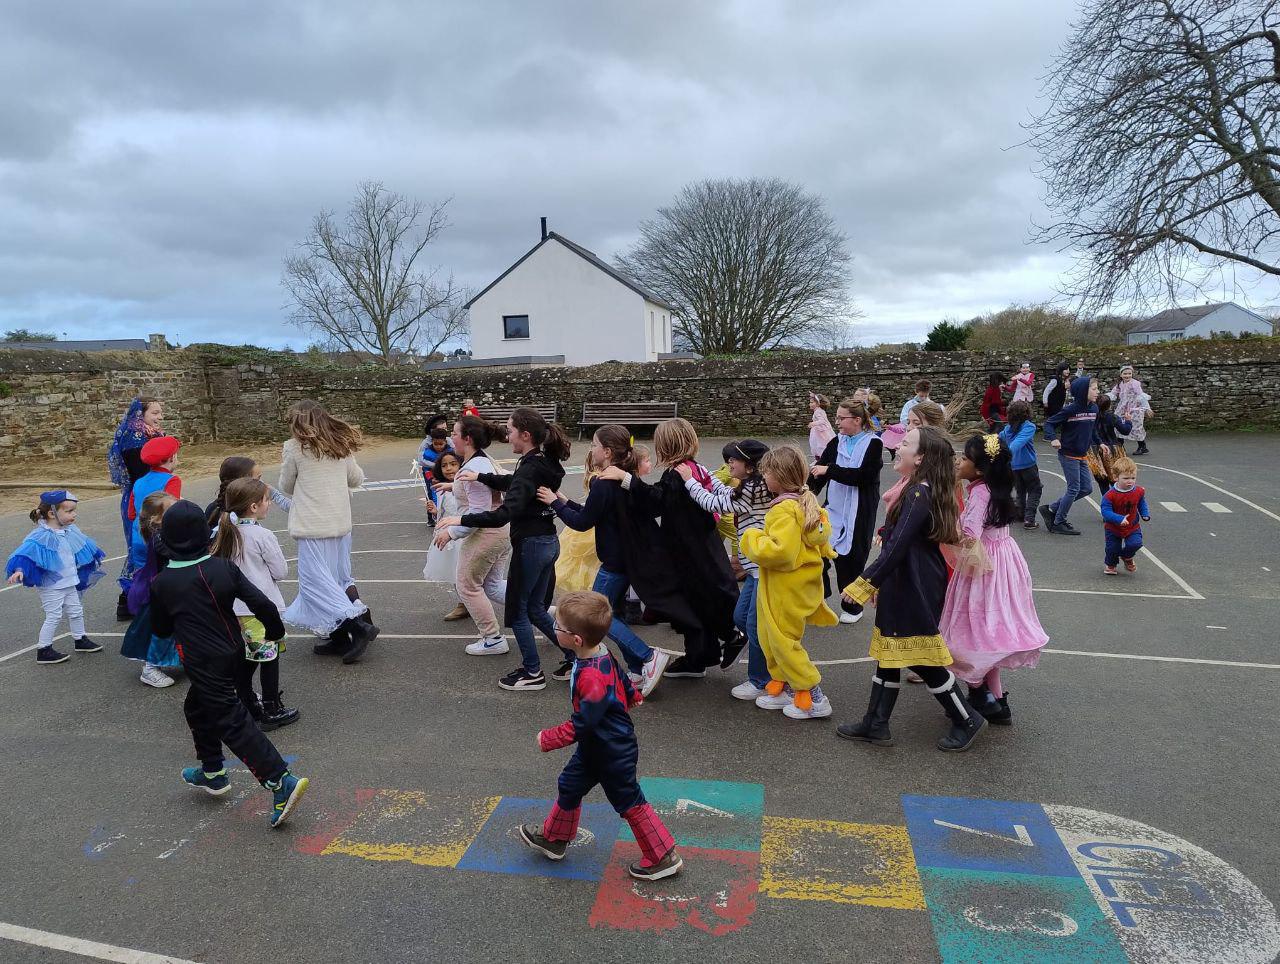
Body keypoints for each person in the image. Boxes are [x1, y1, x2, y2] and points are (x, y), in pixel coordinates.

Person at [150, 500, 309, 828]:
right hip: (233, 652)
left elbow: (161, 628)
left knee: (231, 720)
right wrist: (275, 631)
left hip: (203, 660)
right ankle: (212, 771)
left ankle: (280, 780)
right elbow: (261, 603)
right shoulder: (223, 568)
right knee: (196, 708)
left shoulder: (163, 583)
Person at [836, 426, 986, 752]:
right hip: (906, 580)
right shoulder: (915, 488)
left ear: (919, 458)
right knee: (890, 652)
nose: (898, 445)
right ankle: (876, 723)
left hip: (915, 584)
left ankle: (967, 718)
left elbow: (898, 547)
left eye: (905, 443)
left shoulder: (919, 492)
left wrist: (864, 583)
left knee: (923, 659)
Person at [518, 591, 683, 882]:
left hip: (611, 749)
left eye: (557, 626)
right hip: (597, 747)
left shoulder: (590, 676)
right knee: (569, 784)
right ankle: (555, 838)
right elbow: (620, 676)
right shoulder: (599, 651)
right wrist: (632, 694)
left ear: (575, 639)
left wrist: (549, 738)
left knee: (628, 800)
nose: (554, 628)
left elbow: (584, 723)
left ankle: (663, 856)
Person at [436, 407, 574, 692]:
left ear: (525, 435)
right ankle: (573, 657)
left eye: (510, 430)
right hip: (548, 541)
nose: (506, 435)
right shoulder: (541, 460)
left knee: (518, 613)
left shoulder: (530, 465)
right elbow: (516, 482)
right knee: (535, 609)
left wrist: (460, 519)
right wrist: (483, 478)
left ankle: (532, 672)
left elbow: (503, 514)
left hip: (531, 546)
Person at [598, 417, 740, 678]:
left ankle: (726, 639)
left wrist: (627, 479)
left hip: (692, 550)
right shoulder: (691, 468)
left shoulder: (677, 473)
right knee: (697, 603)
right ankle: (699, 657)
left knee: (700, 600)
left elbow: (657, 500)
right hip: (699, 546)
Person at [539, 425, 670, 697]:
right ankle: (635, 669)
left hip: (614, 560)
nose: (591, 450)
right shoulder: (620, 478)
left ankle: (647, 656)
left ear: (607, 452)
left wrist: (554, 503)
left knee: (595, 617)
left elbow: (582, 522)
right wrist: (565, 501)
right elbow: (594, 513)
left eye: (594, 445)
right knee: (613, 614)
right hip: (625, 557)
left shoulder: (603, 482)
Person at [940, 435, 1048, 726]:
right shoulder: (995, 488)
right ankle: (997, 699)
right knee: (989, 629)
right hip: (1005, 559)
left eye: (964, 459)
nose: (959, 462)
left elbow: (970, 534)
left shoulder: (978, 493)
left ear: (979, 469)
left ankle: (980, 694)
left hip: (983, 564)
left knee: (972, 628)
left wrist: (940, 532)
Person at [740, 446, 838, 720]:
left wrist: (751, 538)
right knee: (770, 637)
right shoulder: (804, 504)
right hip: (795, 586)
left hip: (784, 587)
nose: (764, 478)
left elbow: (781, 553)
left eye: (767, 473)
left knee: (783, 642)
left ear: (779, 477)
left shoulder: (783, 510)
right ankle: (783, 687)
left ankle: (814, 695)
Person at [279, 400, 378, 664]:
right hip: (340, 525)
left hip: (313, 527)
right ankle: (337, 636)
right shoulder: (341, 446)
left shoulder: (294, 448)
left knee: (314, 584)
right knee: (335, 579)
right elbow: (356, 479)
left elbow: (286, 485)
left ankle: (358, 626)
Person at [211, 478, 299, 731]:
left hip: (236, 607)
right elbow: (280, 571)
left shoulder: (226, 533)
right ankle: (271, 707)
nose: (269, 504)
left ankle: (244, 698)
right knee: (268, 657)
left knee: (251, 654)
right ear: (253, 506)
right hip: (259, 606)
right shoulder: (261, 535)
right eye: (266, 500)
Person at [431, 415, 511, 656]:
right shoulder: (481, 461)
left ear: (467, 439)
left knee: (467, 586)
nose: (450, 437)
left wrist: (451, 532)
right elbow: (479, 494)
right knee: (493, 587)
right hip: (500, 533)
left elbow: (479, 512)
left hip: (485, 535)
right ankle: (547, 614)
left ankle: (493, 638)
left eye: (454, 433)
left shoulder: (473, 467)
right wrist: (452, 486)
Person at [5, 490, 106, 665]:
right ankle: (44, 649)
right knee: (54, 615)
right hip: (52, 586)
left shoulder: (69, 530)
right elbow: (25, 554)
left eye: (74, 510)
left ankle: (80, 639)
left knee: (76, 610)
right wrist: (20, 569)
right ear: (52, 513)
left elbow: (79, 547)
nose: (74, 514)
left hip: (69, 581)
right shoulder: (40, 536)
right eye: (69, 511)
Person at [809, 397, 883, 625]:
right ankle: (819, 596)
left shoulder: (873, 444)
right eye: (837, 417)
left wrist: (829, 470)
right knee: (815, 549)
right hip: (834, 507)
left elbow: (864, 477)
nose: (837, 422)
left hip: (860, 510)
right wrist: (807, 494)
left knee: (850, 559)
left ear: (857, 420)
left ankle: (852, 605)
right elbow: (818, 474)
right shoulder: (836, 441)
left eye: (842, 418)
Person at [107, 396, 165, 619]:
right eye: (155, 413)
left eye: (160, 412)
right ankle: (129, 600)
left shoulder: (148, 433)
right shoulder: (134, 436)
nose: (160, 417)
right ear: (141, 414)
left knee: (150, 547)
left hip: (150, 494)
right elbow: (141, 473)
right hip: (140, 497)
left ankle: (136, 599)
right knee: (142, 547)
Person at [122, 492, 182, 687]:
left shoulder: (169, 533)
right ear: (157, 518)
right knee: (159, 631)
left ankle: (182, 658)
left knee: (180, 627)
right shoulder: (159, 538)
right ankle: (150, 667)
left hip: (174, 589)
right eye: (172, 509)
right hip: (161, 592)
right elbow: (176, 555)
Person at [1040, 375, 1103, 536]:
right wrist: (1053, 438)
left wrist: (1100, 442)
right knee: (1074, 488)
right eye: (1094, 389)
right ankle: (1058, 522)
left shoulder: (1094, 409)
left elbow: (1092, 430)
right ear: (1083, 391)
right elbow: (1049, 423)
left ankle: (1052, 508)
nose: (1098, 392)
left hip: (1082, 454)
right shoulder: (1071, 409)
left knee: (1086, 488)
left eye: (1097, 389)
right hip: (1068, 454)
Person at [552, 450, 603, 594]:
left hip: (587, 525)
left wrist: (564, 501)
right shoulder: (598, 479)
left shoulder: (597, 478)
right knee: (589, 564)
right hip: (591, 530)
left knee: (585, 564)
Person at [205, 456, 292, 529]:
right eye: (258, 479)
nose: (263, 483)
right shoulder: (243, 515)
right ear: (242, 482)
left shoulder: (216, 508)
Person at [129, 436, 183, 552]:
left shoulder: (139, 482)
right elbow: (173, 513)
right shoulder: (172, 480)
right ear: (172, 458)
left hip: (139, 538)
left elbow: (131, 514)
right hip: (160, 540)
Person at [422, 452, 465, 592]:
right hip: (447, 537)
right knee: (454, 572)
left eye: (453, 464)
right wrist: (435, 511)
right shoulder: (442, 490)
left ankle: (468, 601)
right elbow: (443, 514)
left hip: (462, 535)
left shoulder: (464, 487)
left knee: (464, 572)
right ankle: (463, 602)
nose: (449, 468)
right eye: (444, 465)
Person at [1100, 456, 1150, 575]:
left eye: (1133, 478)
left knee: (1136, 543)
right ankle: (1111, 564)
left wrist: (1145, 513)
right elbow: (1105, 511)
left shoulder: (1138, 491)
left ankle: (1127, 557)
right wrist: (1119, 519)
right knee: (1113, 548)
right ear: (1116, 477)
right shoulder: (1110, 495)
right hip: (1114, 527)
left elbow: (1141, 502)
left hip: (1132, 526)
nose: (1130, 481)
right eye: (1126, 478)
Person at [1000, 401, 1043, 530]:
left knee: (1021, 490)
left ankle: (1020, 514)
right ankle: (1029, 519)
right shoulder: (1029, 427)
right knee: (1035, 489)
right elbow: (1018, 442)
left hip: (1014, 466)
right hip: (1028, 465)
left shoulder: (1008, 429)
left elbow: (999, 439)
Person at [1089, 396, 1132, 492]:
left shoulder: (1091, 416)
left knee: (1102, 478)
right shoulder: (1112, 417)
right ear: (1109, 406)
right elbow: (1125, 431)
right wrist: (1128, 421)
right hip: (1112, 449)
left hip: (1095, 449)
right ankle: (1117, 499)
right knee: (1115, 477)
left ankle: (1106, 502)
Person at [1110, 366, 1151, 455]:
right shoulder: (1119, 384)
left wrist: (1147, 408)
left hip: (1134, 409)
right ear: (1121, 375)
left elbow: (1141, 396)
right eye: (1125, 373)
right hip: (1122, 408)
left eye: (1129, 373)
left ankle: (1142, 446)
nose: (1127, 375)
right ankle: (1119, 446)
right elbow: (1112, 394)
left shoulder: (1135, 383)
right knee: (1118, 424)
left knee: (1136, 427)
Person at [416, 425, 454, 515]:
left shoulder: (450, 451)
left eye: (441, 444)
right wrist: (431, 478)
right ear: (432, 442)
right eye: (435, 444)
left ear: (445, 441)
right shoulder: (428, 453)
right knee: (435, 495)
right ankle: (437, 515)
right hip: (434, 479)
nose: (438, 447)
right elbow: (425, 468)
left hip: (448, 479)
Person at [807, 393, 836, 460]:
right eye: (810, 402)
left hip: (821, 431)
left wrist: (813, 423)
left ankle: (821, 458)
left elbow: (822, 421)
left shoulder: (818, 412)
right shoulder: (818, 410)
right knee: (816, 445)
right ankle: (819, 458)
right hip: (818, 430)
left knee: (820, 445)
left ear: (818, 403)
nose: (810, 404)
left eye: (811, 402)